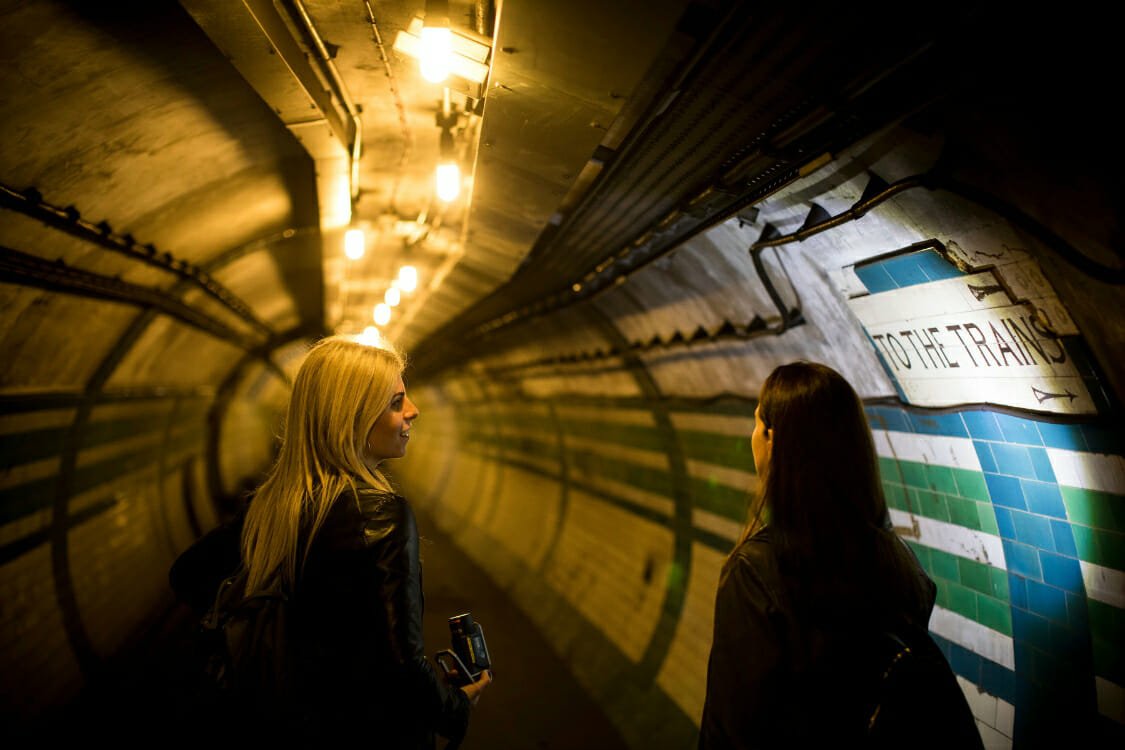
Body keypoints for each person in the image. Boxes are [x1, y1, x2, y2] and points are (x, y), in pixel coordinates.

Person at [171, 334, 491, 747]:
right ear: (352, 417)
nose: (414, 411)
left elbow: (187, 575)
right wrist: (457, 706)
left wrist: (270, 637)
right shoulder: (383, 515)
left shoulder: (272, 506)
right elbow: (402, 666)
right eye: (396, 402)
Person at [697, 361, 980, 748]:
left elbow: (731, 732)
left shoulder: (755, 574)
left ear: (772, 439)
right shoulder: (896, 561)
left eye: (756, 423)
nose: (752, 436)